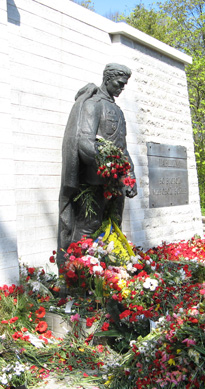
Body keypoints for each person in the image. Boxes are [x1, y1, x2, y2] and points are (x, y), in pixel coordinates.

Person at [57, 63, 137, 266]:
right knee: (88, 227)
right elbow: (84, 144)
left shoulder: (118, 111)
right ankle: (75, 275)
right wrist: (110, 167)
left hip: (116, 181)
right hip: (94, 181)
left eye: (124, 85)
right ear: (108, 79)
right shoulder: (93, 104)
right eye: (119, 84)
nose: (121, 88)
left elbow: (122, 147)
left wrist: (131, 175)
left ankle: (108, 276)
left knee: (113, 227)